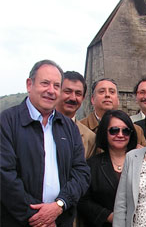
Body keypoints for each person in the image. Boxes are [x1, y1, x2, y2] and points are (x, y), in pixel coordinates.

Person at [1, 60, 90, 226]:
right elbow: (5, 176)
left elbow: (81, 172)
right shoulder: (7, 122)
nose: (51, 90)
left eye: (56, 86)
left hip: (60, 220)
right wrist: (39, 218)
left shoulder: (69, 127)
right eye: (45, 83)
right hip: (19, 221)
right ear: (30, 84)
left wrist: (59, 205)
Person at [78, 110, 138, 226]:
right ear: (104, 132)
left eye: (125, 131)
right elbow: (83, 201)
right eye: (114, 130)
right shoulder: (92, 165)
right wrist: (109, 216)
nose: (120, 135)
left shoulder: (141, 162)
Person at [80, 78, 146, 147]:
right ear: (93, 99)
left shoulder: (136, 130)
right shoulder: (79, 128)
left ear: (118, 100)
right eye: (102, 91)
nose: (107, 95)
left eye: (112, 92)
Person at [56, 71, 96, 158]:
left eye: (78, 94)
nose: (73, 98)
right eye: (67, 92)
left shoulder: (90, 138)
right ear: (57, 92)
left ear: (83, 98)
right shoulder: (40, 126)